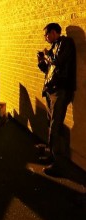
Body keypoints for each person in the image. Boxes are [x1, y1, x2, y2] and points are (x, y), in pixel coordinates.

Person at [37, 23, 76, 177]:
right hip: (51, 89)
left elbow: (57, 61)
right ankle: (51, 155)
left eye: (47, 34)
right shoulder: (54, 46)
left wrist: (46, 55)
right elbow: (48, 69)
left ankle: (58, 164)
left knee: (55, 125)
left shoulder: (65, 43)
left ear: (54, 32)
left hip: (61, 90)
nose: (45, 37)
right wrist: (41, 60)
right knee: (51, 123)